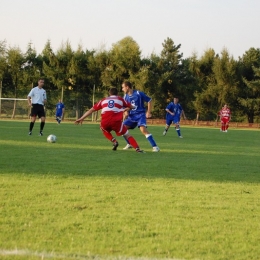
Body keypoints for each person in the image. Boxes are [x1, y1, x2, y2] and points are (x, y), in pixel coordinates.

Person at [74, 87, 144, 153]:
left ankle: (114, 141)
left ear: (109, 94)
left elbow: (91, 110)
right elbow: (132, 106)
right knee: (127, 135)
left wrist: (81, 118)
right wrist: (128, 108)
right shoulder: (120, 99)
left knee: (103, 129)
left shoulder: (103, 100)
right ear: (117, 94)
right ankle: (137, 149)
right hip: (116, 122)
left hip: (105, 121)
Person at [121, 81, 160, 152]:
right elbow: (125, 107)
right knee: (121, 128)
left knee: (143, 130)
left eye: (123, 87)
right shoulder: (125, 97)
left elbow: (149, 100)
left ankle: (155, 147)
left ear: (127, 87)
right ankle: (129, 144)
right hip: (131, 116)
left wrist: (148, 112)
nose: (122, 89)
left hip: (140, 115)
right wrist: (126, 112)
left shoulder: (138, 93)